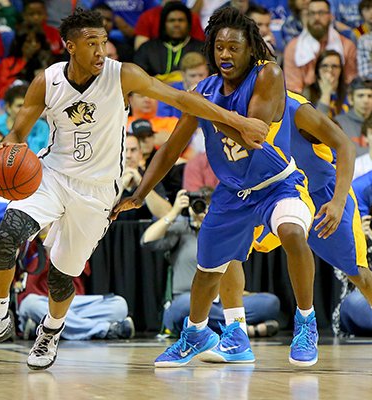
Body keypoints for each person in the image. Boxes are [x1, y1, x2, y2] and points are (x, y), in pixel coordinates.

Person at [0, 8, 269, 371]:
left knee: (61, 277)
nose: (100, 51)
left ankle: (51, 330)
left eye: (103, 42)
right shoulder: (48, 81)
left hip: (98, 191)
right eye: (91, 44)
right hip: (53, 175)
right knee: (7, 236)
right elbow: (17, 133)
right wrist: (9, 150)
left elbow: (182, 100)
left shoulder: (123, 75)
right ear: (69, 46)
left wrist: (238, 120)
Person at [114, 7, 319, 367]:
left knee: (292, 233)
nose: (225, 55)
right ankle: (198, 333)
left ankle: (306, 321)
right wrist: (140, 193)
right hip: (231, 193)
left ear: (250, 49)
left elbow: (251, 133)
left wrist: (202, 108)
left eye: (233, 48)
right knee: (208, 272)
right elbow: (170, 149)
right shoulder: (204, 91)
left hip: (277, 184)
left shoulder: (268, 74)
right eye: (219, 48)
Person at [202, 91, 372, 363]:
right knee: (227, 246)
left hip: (322, 194)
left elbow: (345, 146)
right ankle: (236, 334)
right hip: (270, 192)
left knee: (358, 273)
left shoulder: (297, 108)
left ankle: (306, 324)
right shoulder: (233, 104)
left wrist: (339, 201)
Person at [141, 188, 280, 336]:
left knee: (270, 302)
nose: (202, 210)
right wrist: (174, 213)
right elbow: (147, 240)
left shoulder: (225, 234)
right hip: (188, 299)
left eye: (208, 207)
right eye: (199, 205)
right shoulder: (183, 229)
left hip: (221, 302)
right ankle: (241, 329)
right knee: (183, 307)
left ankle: (215, 331)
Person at [17, 232, 134, 341]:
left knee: (119, 305)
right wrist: (42, 235)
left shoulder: (71, 236)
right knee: (30, 304)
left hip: (71, 303)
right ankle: (105, 329)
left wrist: (48, 236)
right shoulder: (26, 242)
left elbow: (59, 265)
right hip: (41, 302)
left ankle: (42, 328)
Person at [283, 0, 357, 93]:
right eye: (312, 13)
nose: (316, 17)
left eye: (321, 13)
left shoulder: (347, 46)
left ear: (331, 16)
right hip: (305, 101)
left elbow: (350, 84)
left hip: (340, 100)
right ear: (306, 17)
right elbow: (292, 90)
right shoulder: (293, 48)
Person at [133, 2, 204, 83]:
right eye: (171, 20)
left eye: (181, 20)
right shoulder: (147, 49)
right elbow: (138, 78)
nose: (176, 24)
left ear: (188, 24)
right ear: (164, 24)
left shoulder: (201, 49)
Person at [0, 84, 49, 154]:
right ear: (8, 107)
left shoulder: (42, 127)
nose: (25, 110)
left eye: (28, 106)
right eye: (19, 106)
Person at [301, 50, 348, 119]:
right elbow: (317, 123)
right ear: (318, 70)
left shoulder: (348, 92)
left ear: (340, 70)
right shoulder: (308, 92)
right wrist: (326, 94)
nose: (330, 70)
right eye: (324, 66)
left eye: (334, 66)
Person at [335, 78, 372, 156]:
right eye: (360, 96)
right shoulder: (339, 123)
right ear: (350, 99)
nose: (366, 100)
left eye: (370, 96)